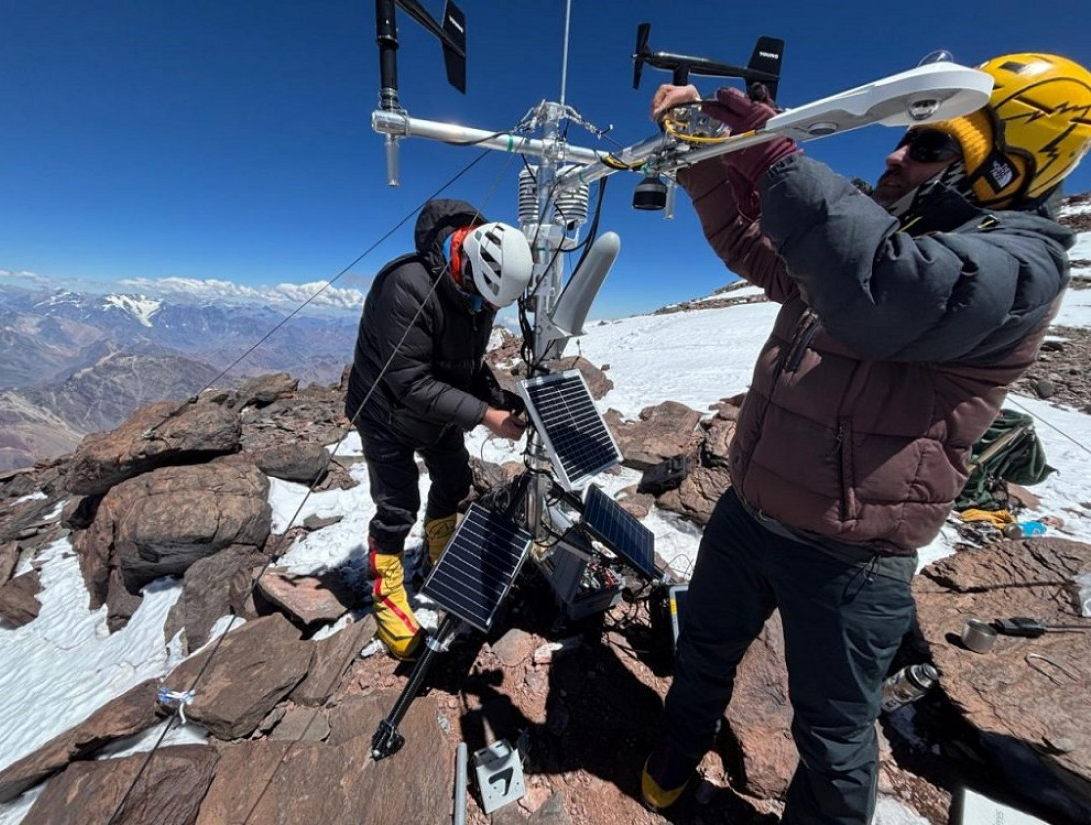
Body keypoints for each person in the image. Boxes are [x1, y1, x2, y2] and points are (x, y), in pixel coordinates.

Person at [641, 53, 1091, 823]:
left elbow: (882, 285)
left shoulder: (1019, 268)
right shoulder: (890, 233)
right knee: (704, 651)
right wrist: (707, 156)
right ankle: (673, 760)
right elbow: (760, 249)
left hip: (849, 556)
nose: (894, 154)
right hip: (749, 513)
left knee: (834, 735)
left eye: (930, 145)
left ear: (1013, 164)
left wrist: (774, 153)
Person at [344, 198, 534, 659]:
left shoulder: (480, 291)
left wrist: (500, 398)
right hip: (386, 414)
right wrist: (484, 416)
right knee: (396, 506)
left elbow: (466, 363)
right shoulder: (405, 286)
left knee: (453, 480)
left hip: (437, 410)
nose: (482, 309)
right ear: (467, 267)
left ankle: (438, 548)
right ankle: (388, 594)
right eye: (480, 299)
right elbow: (409, 381)